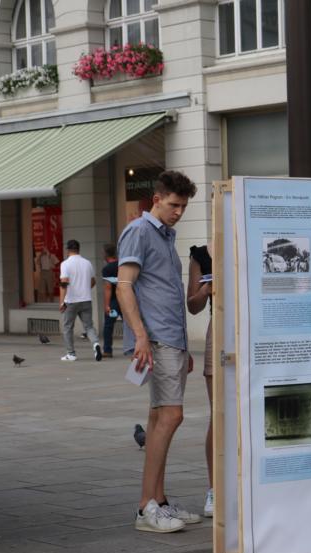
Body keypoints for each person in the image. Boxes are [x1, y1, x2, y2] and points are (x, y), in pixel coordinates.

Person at [116, 170, 201, 533]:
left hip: (171, 339)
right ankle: (145, 508)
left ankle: (159, 501)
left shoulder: (166, 234)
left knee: (158, 418)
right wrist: (140, 336)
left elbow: (163, 291)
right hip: (156, 339)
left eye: (183, 207)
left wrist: (184, 347)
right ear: (157, 199)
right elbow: (123, 286)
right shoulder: (139, 231)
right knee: (170, 416)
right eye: (174, 205)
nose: (178, 212)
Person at [187, 243, 214, 518]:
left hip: (257, 331)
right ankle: (214, 488)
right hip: (219, 332)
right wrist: (206, 290)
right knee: (219, 416)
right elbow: (192, 306)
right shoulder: (201, 255)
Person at [58, 240, 102, 362]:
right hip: (86, 300)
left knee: (68, 327)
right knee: (89, 326)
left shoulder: (65, 264)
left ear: (68, 250)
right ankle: (96, 344)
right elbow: (93, 281)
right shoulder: (87, 263)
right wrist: (84, 289)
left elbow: (64, 283)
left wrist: (61, 302)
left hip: (71, 301)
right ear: (79, 249)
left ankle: (71, 354)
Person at [101, 244, 121, 358]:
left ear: (106, 254)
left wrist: (107, 305)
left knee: (109, 325)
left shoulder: (107, 269)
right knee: (129, 324)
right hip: (126, 301)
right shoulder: (122, 265)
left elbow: (108, 287)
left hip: (114, 303)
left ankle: (107, 350)